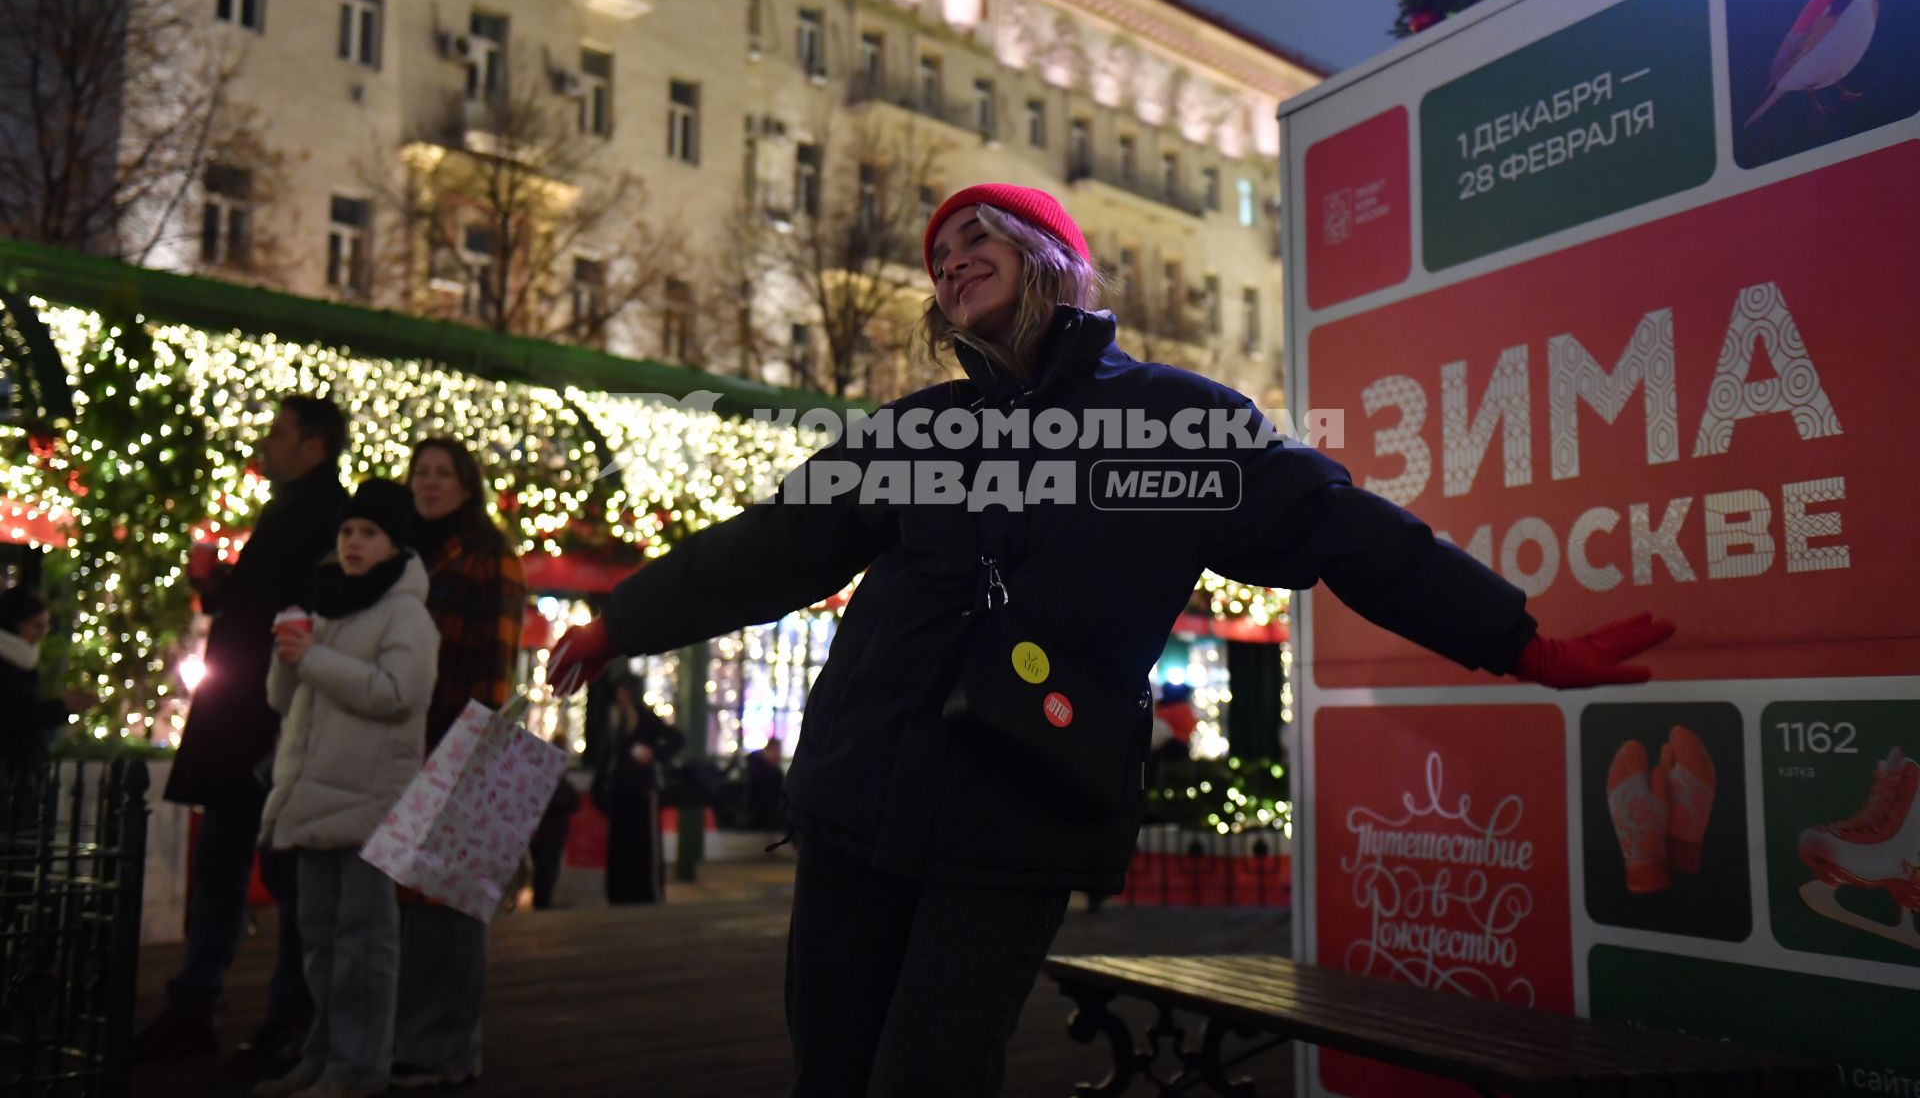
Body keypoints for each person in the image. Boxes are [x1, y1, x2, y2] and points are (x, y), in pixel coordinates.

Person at [548, 184, 1674, 1098]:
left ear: (1051, 257)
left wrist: (1519, 639)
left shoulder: (1179, 422)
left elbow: (1341, 528)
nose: (952, 260)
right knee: (831, 1069)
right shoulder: (916, 429)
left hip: (1020, 811)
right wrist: (623, 621)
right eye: (939, 257)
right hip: (855, 801)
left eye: (977, 236)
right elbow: (775, 546)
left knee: (932, 1075)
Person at [138, 396, 349, 1064]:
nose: (266, 443)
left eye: (279, 433)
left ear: (312, 446)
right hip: (257, 719)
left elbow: (294, 616)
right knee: (245, 867)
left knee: (262, 872)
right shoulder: (302, 512)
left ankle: (253, 1010)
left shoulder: (318, 518)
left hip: (265, 724)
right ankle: (236, 1008)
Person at [252, 478, 439, 1098]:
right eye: (347, 531)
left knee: (364, 943)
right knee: (320, 939)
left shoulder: (406, 612)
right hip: (315, 792)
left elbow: (397, 694)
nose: (354, 543)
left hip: (369, 796)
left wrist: (311, 660)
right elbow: (287, 700)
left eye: (369, 533)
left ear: (393, 544)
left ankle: (358, 1069)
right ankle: (323, 1055)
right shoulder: (326, 603)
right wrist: (287, 657)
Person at [389, 437, 524, 1090]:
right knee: (408, 906)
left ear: (468, 485)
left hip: (458, 742)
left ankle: (442, 1049)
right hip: (403, 740)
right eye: (421, 472)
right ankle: (411, 1039)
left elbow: (493, 668)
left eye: (444, 473)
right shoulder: (406, 552)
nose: (430, 483)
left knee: (446, 909)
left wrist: (469, 746)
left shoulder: (488, 555)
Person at [591, 679, 685, 904]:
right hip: (619, 792)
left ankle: (645, 894)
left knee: (642, 845)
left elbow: (677, 739)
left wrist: (653, 753)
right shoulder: (615, 722)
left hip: (641, 793)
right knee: (621, 846)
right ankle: (620, 894)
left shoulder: (645, 719)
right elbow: (608, 758)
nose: (620, 697)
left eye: (624, 692)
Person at [0, 586, 91, 767]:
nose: (43, 633)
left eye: (46, 626)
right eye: (37, 625)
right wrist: (61, 706)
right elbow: (14, 716)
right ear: (15, 624)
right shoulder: (11, 663)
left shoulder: (25, 660)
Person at [528, 737, 581, 911]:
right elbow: (574, 802)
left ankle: (540, 900)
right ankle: (542, 901)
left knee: (542, 868)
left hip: (540, 829)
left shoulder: (539, 777)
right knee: (548, 868)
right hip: (553, 830)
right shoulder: (559, 781)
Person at [744, 735, 786, 832]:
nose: (778, 755)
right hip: (764, 814)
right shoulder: (761, 769)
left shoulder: (767, 767)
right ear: (768, 750)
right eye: (777, 751)